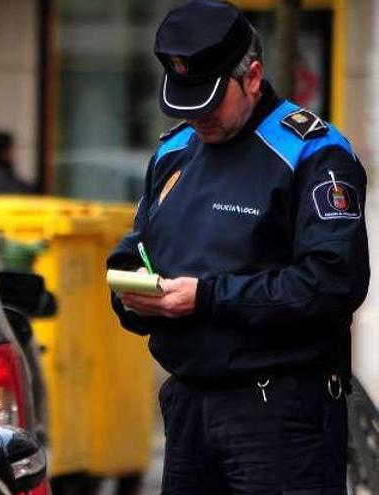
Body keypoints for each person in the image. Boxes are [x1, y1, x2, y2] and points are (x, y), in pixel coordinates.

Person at [106, 1, 369, 493]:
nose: (197, 116)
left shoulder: (313, 152)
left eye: (208, 100)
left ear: (252, 76)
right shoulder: (173, 151)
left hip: (280, 415)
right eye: (184, 101)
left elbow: (333, 282)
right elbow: (137, 248)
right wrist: (132, 293)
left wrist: (207, 297)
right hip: (188, 407)